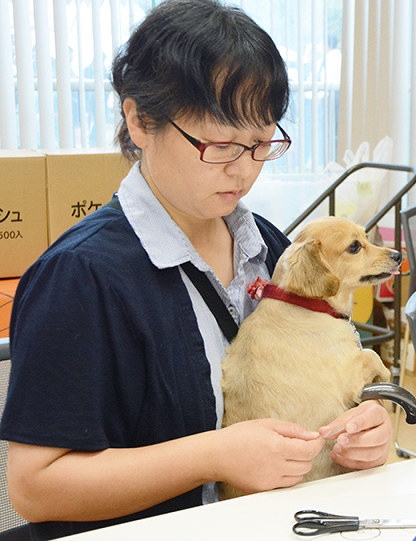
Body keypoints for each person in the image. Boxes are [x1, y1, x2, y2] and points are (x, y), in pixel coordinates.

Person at [0, 0, 392, 537]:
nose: (243, 169)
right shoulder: (81, 276)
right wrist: (214, 455)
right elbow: (35, 486)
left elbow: (325, 377)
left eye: (260, 144)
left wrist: (363, 423)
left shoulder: (273, 251)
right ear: (139, 120)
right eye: (220, 143)